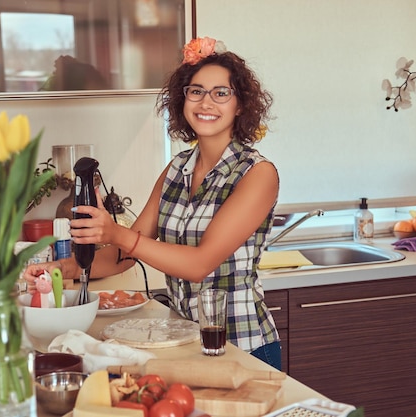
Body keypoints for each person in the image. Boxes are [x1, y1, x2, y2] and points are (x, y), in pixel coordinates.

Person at [24, 36, 281, 369]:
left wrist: (115, 232)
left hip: (243, 345)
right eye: (196, 91)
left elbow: (200, 265)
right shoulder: (176, 169)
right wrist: (61, 270)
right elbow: (124, 255)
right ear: (182, 99)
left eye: (221, 93)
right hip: (187, 340)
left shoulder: (257, 174)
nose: (206, 102)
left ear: (240, 104)